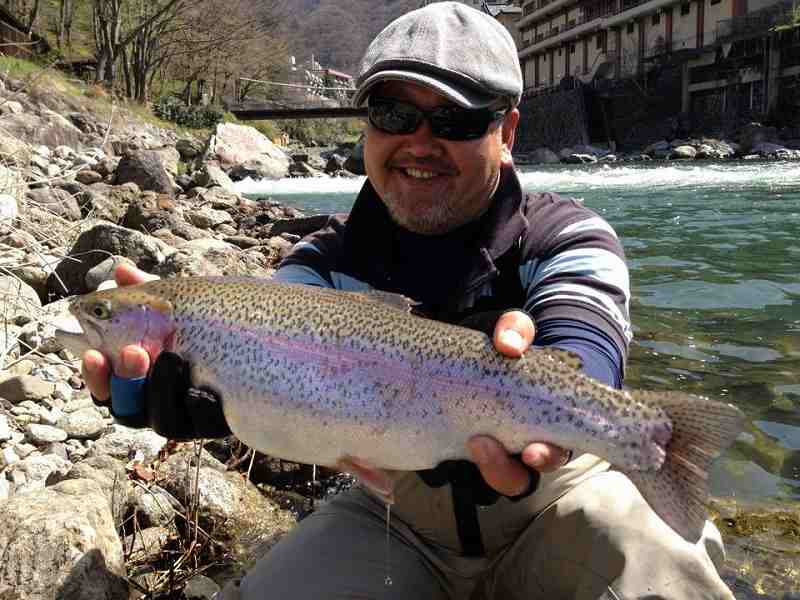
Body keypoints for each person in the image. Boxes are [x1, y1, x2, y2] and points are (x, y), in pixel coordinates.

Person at [82, 3, 735, 599]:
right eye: (395, 114)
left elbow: (588, 349)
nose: (420, 141)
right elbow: (280, 361)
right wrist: (206, 394)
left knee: (661, 555)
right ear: (367, 126)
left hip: (558, 498)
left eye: (453, 119)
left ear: (506, 131)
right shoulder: (322, 260)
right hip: (396, 517)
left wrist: (522, 388)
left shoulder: (568, 237)